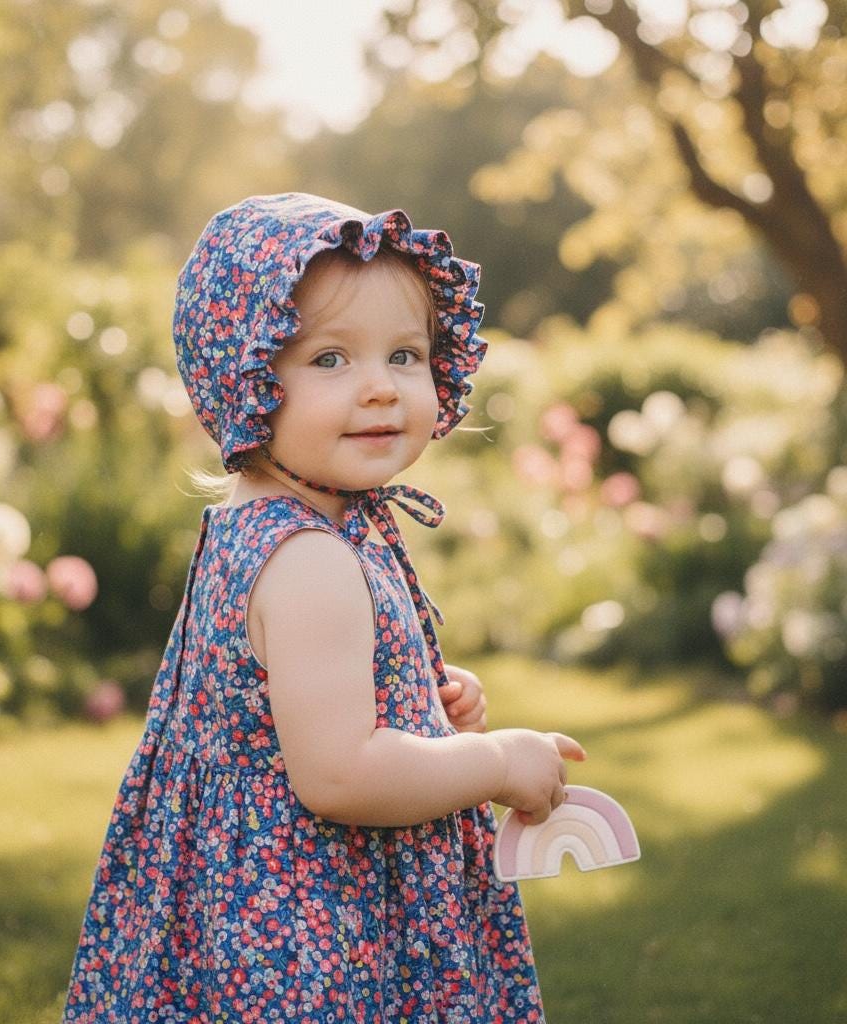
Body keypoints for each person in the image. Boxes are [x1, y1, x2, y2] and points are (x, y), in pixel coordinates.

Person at [60, 192, 586, 1023]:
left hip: (244, 903)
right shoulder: (310, 560)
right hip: (318, 923)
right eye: (331, 360)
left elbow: (284, 699)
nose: (380, 389)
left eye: (405, 356)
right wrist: (495, 761)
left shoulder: (269, 528)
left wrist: (417, 694)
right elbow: (341, 774)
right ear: (247, 378)